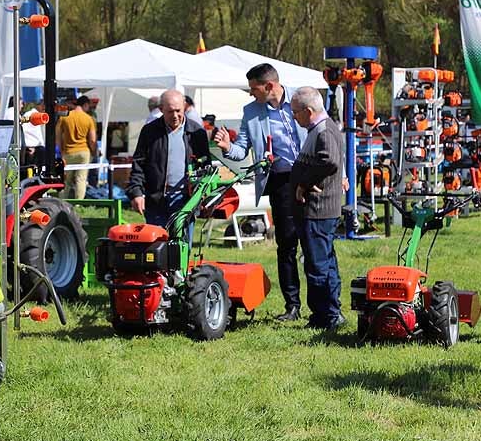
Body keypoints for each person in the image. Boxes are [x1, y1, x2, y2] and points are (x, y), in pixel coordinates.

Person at [213, 63, 306, 322]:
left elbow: (324, 134)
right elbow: (241, 149)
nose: (250, 94)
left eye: (254, 89)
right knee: (286, 244)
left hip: (310, 177)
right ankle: (293, 306)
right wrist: (227, 146)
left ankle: (324, 307)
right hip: (280, 181)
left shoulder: (302, 98)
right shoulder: (251, 112)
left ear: (269, 86)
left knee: (314, 242)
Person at [289, 86, 346, 331]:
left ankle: (325, 317)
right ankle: (330, 313)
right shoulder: (322, 128)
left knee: (318, 265)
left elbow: (329, 161)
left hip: (318, 210)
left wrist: (304, 183)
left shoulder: (323, 131)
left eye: (295, 112)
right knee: (324, 262)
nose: (294, 117)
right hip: (318, 210)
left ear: (308, 111)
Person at [128, 89, 211, 230]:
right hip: (156, 201)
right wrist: (136, 192)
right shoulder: (149, 132)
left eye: (178, 110)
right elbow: (139, 164)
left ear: (184, 106)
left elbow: (205, 167)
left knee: (182, 248)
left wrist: (204, 196)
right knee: (157, 248)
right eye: (170, 111)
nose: (175, 115)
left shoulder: (197, 133)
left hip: (185, 202)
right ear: (161, 109)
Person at [56, 95, 97, 199]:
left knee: (66, 179)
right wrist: (93, 152)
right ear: (85, 105)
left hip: (68, 152)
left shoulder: (64, 117)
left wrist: (61, 151)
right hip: (84, 152)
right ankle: (79, 203)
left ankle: (62, 200)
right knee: (81, 179)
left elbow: (58, 136)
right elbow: (92, 140)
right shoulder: (89, 119)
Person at [22, 99, 46, 166]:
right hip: (32, 149)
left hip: (39, 149)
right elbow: (22, 130)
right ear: (41, 105)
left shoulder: (42, 116)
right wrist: (28, 148)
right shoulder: (29, 115)